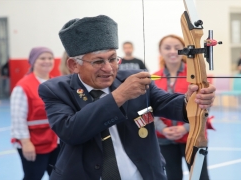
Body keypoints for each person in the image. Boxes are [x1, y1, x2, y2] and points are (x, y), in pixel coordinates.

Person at [38, 15, 216, 180]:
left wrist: (192, 100)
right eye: (98, 61)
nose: (108, 69)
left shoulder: (134, 77)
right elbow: (71, 131)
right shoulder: (55, 90)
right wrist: (119, 96)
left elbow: (167, 103)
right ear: (73, 65)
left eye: (113, 59)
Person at [153, 34, 212, 180]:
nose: (172, 51)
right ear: (160, 52)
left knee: (200, 176)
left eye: (177, 48)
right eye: (167, 48)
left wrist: (184, 128)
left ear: (185, 50)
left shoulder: (197, 76)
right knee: (172, 176)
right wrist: (163, 129)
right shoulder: (153, 77)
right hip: (164, 139)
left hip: (193, 137)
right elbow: (150, 108)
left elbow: (204, 107)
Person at [10, 47, 60, 180]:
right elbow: (18, 118)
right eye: (42, 58)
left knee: (59, 176)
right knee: (33, 176)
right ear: (33, 61)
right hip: (34, 143)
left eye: (50, 58)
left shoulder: (56, 83)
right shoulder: (23, 86)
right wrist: (26, 143)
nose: (47, 61)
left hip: (55, 141)